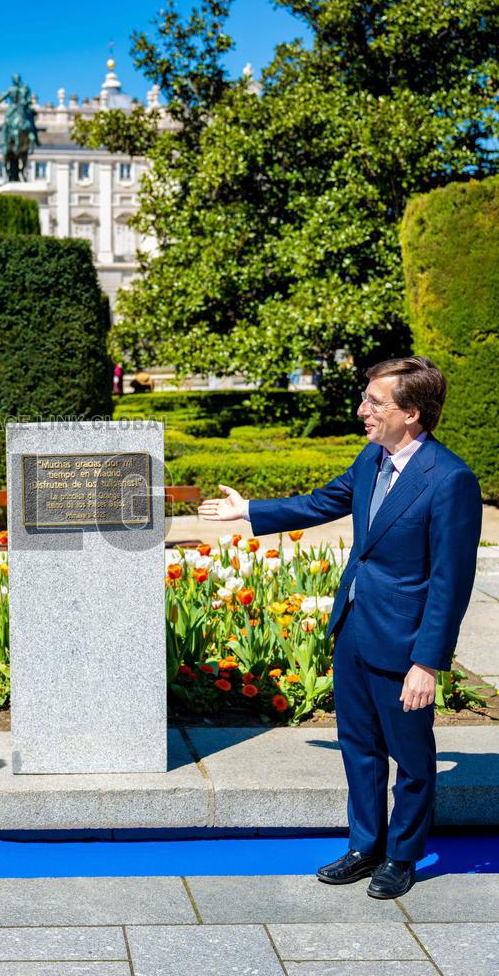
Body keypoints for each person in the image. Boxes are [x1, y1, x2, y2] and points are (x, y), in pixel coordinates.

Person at [199, 357, 482, 899]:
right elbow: (320, 503)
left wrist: (428, 662)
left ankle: (402, 856)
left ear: (413, 413)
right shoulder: (371, 458)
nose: (362, 411)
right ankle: (365, 846)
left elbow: (451, 581)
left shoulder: (450, 480)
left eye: (375, 402)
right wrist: (249, 511)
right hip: (353, 627)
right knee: (358, 745)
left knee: (414, 758)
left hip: (404, 643)